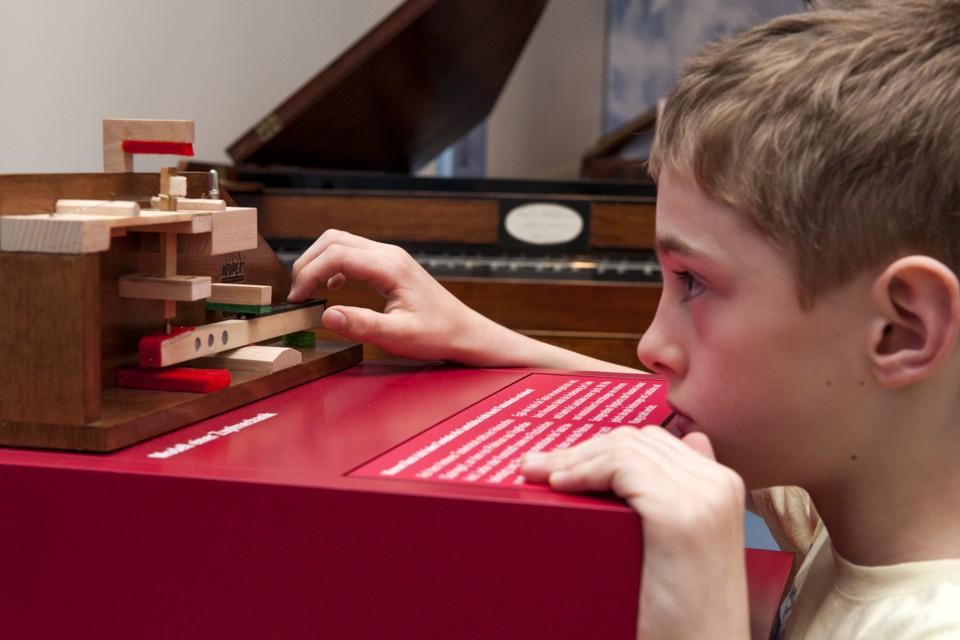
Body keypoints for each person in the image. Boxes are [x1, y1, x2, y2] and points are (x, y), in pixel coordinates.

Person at [287, 0, 960, 637]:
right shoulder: (867, 493)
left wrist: (701, 605)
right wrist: (479, 335)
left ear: (902, 328)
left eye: (693, 282)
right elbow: (716, 412)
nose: (650, 346)